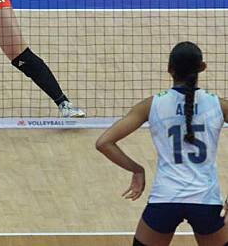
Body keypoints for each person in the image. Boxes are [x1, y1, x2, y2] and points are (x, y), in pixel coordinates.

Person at [96, 41, 228, 246]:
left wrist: (137, 169)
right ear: (202, 67)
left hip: (165, 199)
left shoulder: (152, 105)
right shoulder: (218, 104)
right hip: (206, 201)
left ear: (169, 69)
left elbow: (104, 142)